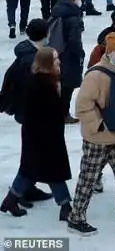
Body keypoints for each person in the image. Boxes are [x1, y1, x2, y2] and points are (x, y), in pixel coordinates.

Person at [67, 33, 115, 236]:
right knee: (89, 179)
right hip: (98, 138)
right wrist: (100, 126)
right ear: (108, 53)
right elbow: (83, 107)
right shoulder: (95, 75)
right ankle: (76, 217)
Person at [1, 47, 72, 220]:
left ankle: (11, 200)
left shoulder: (47, 81)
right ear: (47, 63)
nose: (59, 61)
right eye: (55, 59)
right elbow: (52, 111)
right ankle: (65, 206)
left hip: (41, 135)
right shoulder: (40, 84)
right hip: (43, 136)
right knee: (53, 171)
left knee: (30, 171)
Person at [49, 0, 85, 123]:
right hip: (69, 55)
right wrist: (80, 53)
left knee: (59, 84)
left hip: (57, 52)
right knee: (67, 86)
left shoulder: (57, 11)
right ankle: (64, 114)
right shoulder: (72, 17)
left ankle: (57, 112)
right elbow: (74, 40)